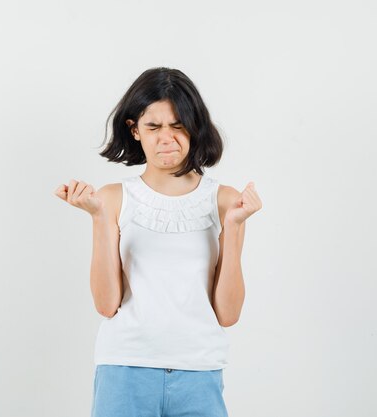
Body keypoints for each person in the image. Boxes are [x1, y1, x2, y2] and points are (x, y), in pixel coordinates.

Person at [54, 67, 262, 417]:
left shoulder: (226, 201)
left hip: (198, 371)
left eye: (178, 125)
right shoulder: (112, 199)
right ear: (134, 130)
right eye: (153, 126)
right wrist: (98, 216)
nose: (167, 137)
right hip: (124, 368)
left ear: (195, 128)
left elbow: (228, 314)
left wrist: (235, 227)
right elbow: (106, 305)